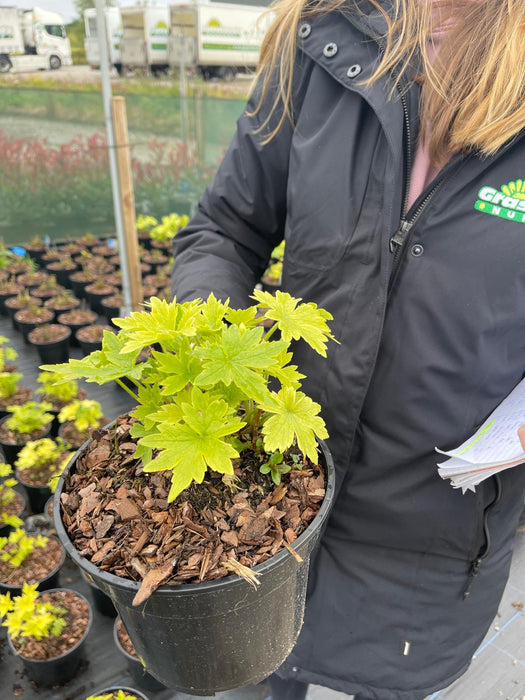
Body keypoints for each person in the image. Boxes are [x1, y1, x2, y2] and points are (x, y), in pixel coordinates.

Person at [171, 1, 525, 698]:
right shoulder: (321, 32)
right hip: (270, 506)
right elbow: (225, 228)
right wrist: (210, 349)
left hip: (433, 538)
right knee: (265, 672)